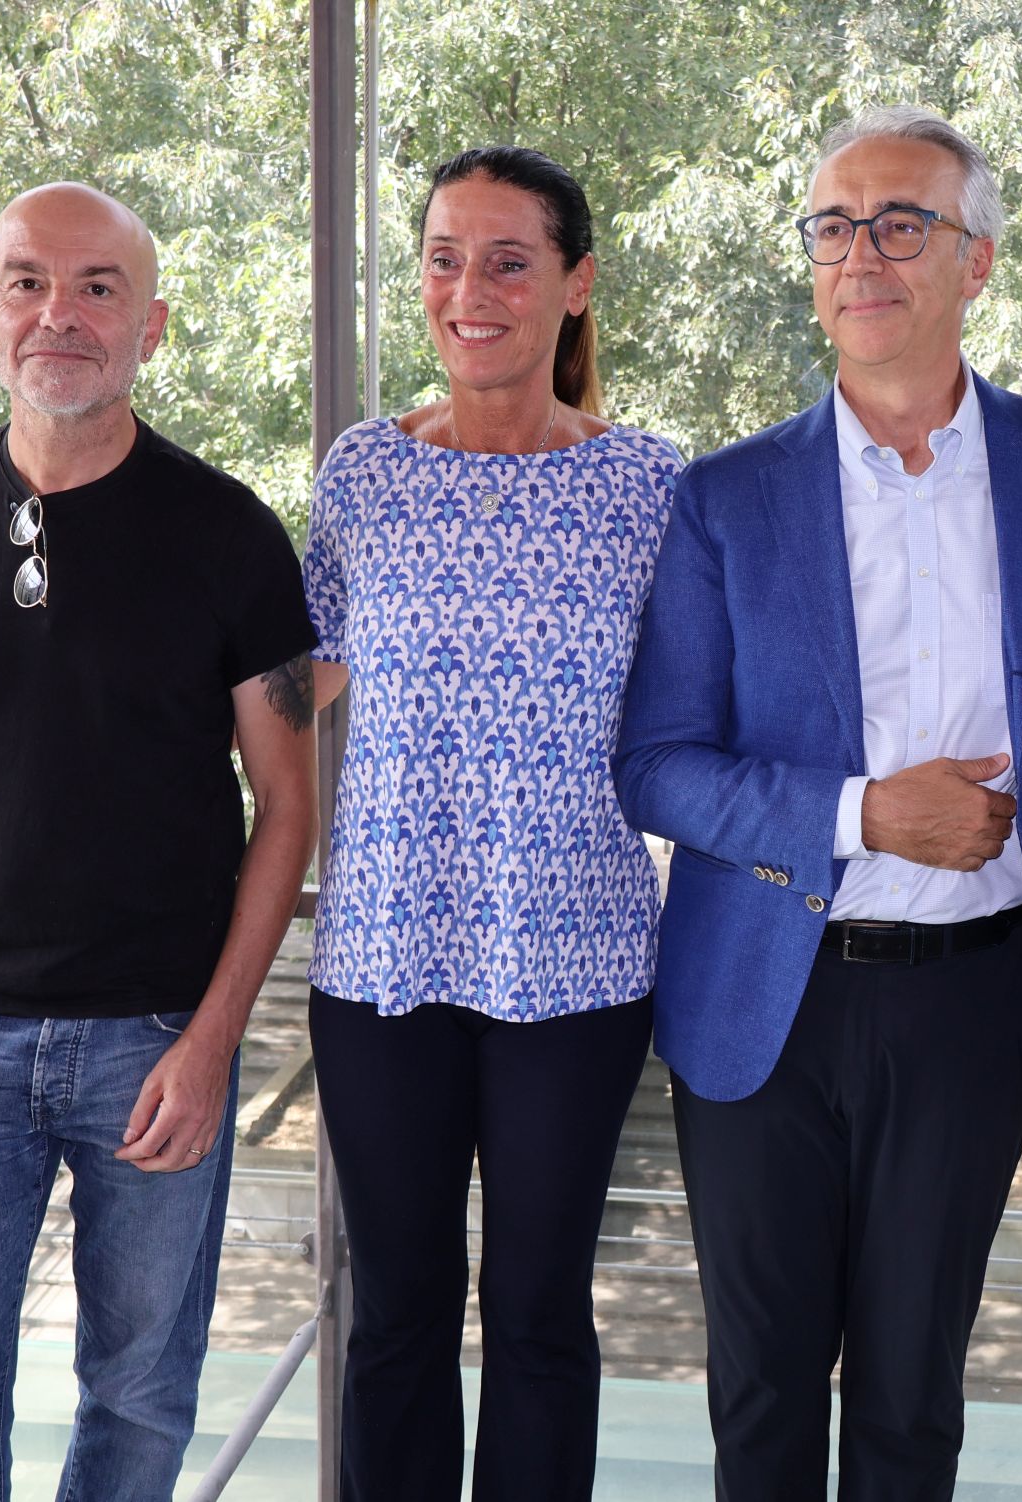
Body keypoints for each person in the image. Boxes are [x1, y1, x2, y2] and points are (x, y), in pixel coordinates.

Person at [614, 105, 1022, 1499]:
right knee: (760, 1396)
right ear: (812, 266)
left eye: (902, 222)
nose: (861, 251)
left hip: (975, 999)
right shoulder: (724, 496)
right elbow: (658, 764)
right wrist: (865, 813)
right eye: (833, 225)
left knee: (910, 1396)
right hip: (764, 990)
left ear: (975, 261)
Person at [0, 182, 319, 1500]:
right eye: (29, 282)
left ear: (151, 324)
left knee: (142, 1400)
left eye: (99, 287)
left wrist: (214, 1039)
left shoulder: (227, 533)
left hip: (155, 1047)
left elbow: (286, 804)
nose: (61, 313)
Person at [303, 145, 680, 1502]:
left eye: (510, 260)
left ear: (575, 286)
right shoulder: (364, 473)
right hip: (381, 969)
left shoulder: (649, 485)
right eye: (446, 259)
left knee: (536, 1317)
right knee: (396, 1315)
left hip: (576, 971)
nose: (472, 289)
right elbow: (291, 697)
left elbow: (704, 715)